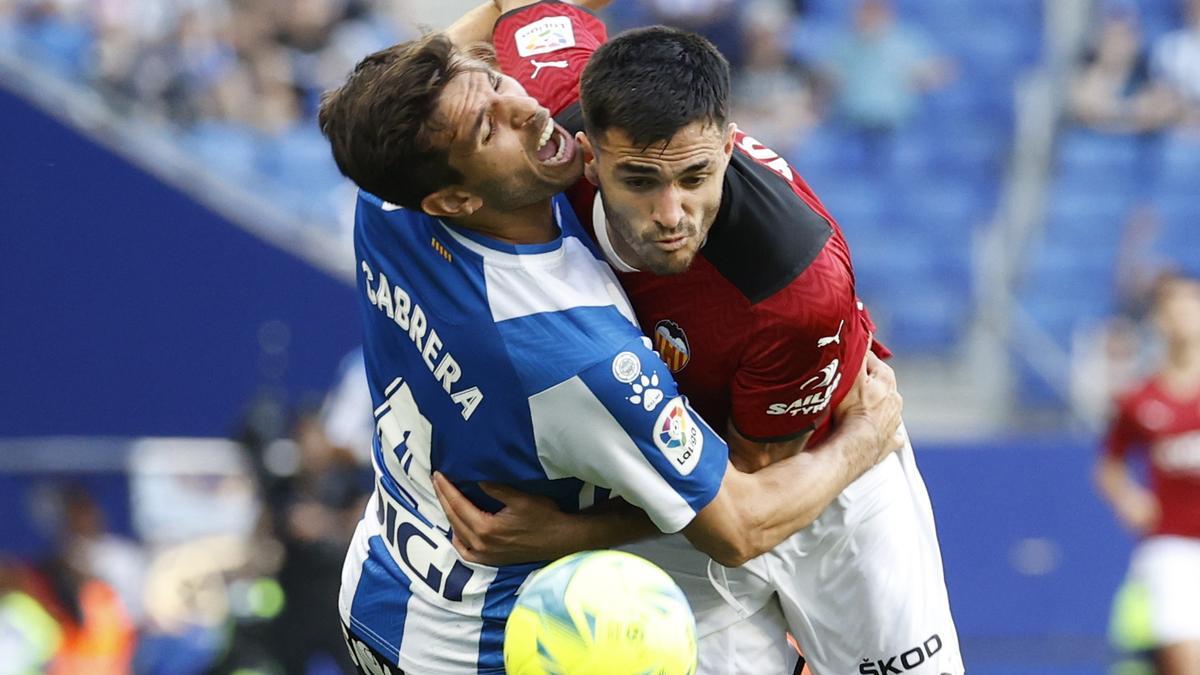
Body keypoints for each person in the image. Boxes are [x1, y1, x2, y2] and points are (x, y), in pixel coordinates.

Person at [316, 2, 903, 672]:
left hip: (379, 585)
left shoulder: (389, 194)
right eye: (489, 129)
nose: (530, 110)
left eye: (501, 83)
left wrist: (480, 59)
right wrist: (864, 438)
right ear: (455, 200)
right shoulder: (576, 357)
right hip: (490, 645)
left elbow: (449, 62)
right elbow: (739, 524)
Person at [1096, 274, 1200, 675]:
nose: (1182, 317)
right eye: (1172, 308)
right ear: (1159, 319)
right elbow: (1109, 465)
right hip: (1171, 548)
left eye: (1190, 306)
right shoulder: (1140, 399)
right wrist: (1130, 499)